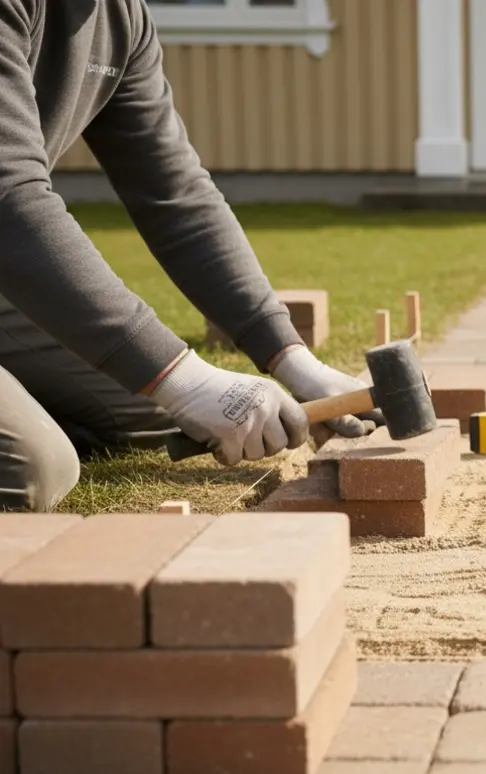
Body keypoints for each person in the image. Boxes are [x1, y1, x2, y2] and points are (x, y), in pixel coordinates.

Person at [0, 0, 381, 512]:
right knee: (31, 467)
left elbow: (175, 195)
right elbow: (10, 198)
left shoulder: (121, 19)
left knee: (148, 411)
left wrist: (291, 358)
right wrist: (187, 379)